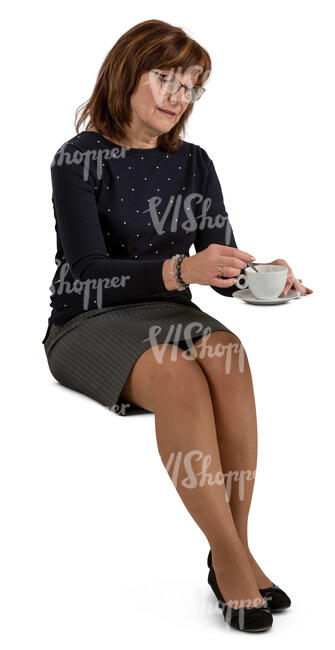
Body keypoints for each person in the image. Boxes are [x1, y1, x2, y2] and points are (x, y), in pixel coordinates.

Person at [42, 19, 312, 632]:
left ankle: (230, 553)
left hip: (170, 311)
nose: (176, 96)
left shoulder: (194, 162)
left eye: (190, 86)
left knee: (229, 354)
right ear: (127, 73)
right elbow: (86, 269)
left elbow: (218, 264)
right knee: (179, 376)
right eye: (164, 78)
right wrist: (179, 268)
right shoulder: (78, 158)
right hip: (87, 320)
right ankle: (238, 563)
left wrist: (264, 275)